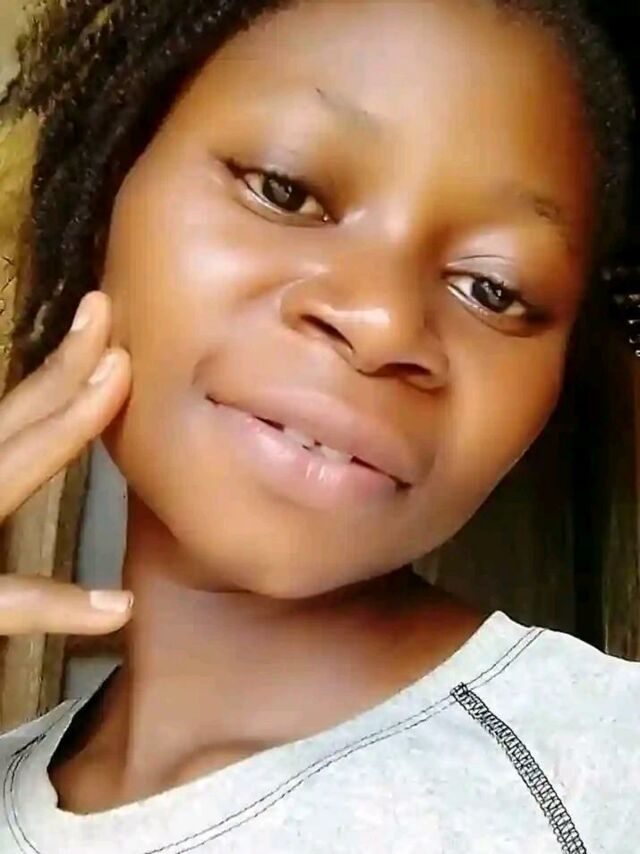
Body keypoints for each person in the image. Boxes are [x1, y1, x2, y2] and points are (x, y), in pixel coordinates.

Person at [0, 0, 636, 851]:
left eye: (493, 288)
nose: (381, 324)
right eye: (285, 190)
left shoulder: (605, 778)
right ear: (112, 186)